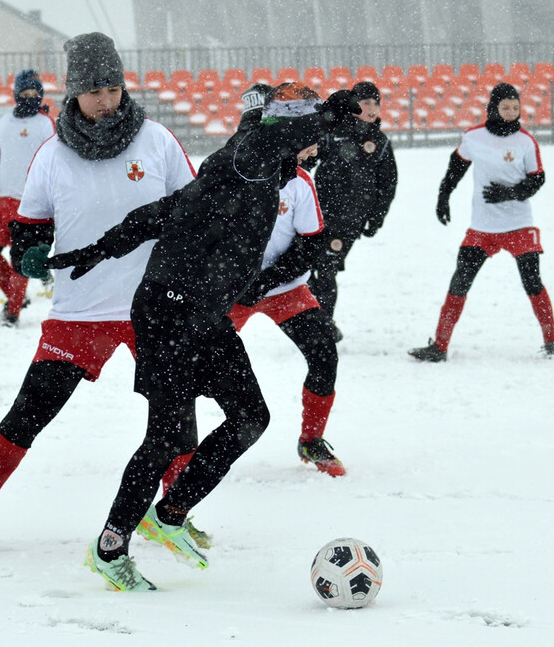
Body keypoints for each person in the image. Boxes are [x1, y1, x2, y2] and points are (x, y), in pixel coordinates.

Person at [46, 83, 359, 591]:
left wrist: (104, 246)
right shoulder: (247, 157)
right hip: (167, 313)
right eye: (307, 134)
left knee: (251, 417)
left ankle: (168, 515)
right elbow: (268, 138)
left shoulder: (259, 174)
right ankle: (109, 547)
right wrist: (326, 116)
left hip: (206, 315)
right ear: (286, 129)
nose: (314, 148)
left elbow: (164, 211)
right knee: (167, 438)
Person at [0, 33, 196, 555]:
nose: (105, 100)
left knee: (176, 419)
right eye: (93, 90)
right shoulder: (51, 154)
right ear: (73, 92)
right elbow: (30, 224)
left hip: (153, 308)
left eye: (113, 88)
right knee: (28, 413)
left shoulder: (158, 141)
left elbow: (192, 210)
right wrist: (30, 249)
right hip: (77, 313)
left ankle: (173, 517)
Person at [160, 83, 346, 488]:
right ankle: (178, 456)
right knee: (187, 372)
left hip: (282, 289)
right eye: (308, 141)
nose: (314, 150)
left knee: (324, 355)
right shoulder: (239, 171)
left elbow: (311, 244)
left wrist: (264, 282)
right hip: (230, 291)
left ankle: (311, 440)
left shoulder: (300, 182)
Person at [408, 82, 554, 362]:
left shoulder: (526, 141)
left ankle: (551, 342)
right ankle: (439, 347)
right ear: (494, 108)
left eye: (516, 107)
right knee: (460, 281)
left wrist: (512, 193)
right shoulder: (474, 137)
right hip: (482, 228)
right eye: (506, 107)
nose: (511, 112)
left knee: (532, 281)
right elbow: (456, 168)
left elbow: (538, 178)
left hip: (519, 226)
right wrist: (444, 195)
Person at [304, 80, 398, 340]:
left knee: (326, 268)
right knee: (307, 267)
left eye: (375, 103)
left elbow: (388, 183)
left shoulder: (379, 142)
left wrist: (377, 217)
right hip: (318, 214)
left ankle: (323, 325)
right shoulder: (332, 133)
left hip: (350, 221)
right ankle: (314, 318)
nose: (370, 107)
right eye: (365, 102)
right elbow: (307, 160)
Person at [0, 69, 56, 326]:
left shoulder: (45, 124)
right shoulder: (4, 123)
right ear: (16, 94)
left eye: (34, 93)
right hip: (2, 200)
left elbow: (55, 163)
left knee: (21, 260)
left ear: (40, 95)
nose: (29, 97)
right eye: (24, 92)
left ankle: (12, 313)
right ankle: (15, 295)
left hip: (31, 205)